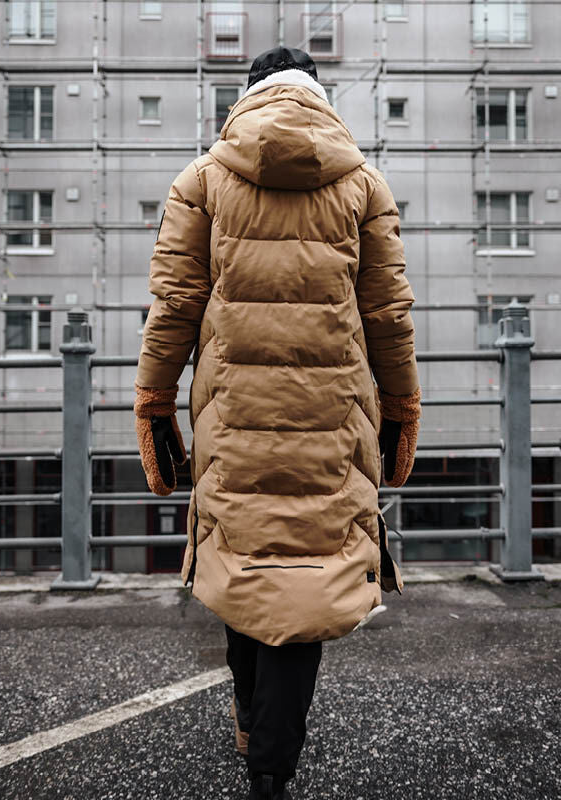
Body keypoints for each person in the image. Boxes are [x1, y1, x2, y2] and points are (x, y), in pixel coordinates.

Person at [134, 46, 421, 800]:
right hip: (333, 423)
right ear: (320, 100)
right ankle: (272, 765)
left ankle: (248, 718)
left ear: (246, 97)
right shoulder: (364, 185)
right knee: (311, 572)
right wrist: (402, 409)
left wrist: (154, 403)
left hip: (234, 418)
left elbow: (173, 310)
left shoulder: (202, 181)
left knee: (244, 559)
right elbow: (388, 315)